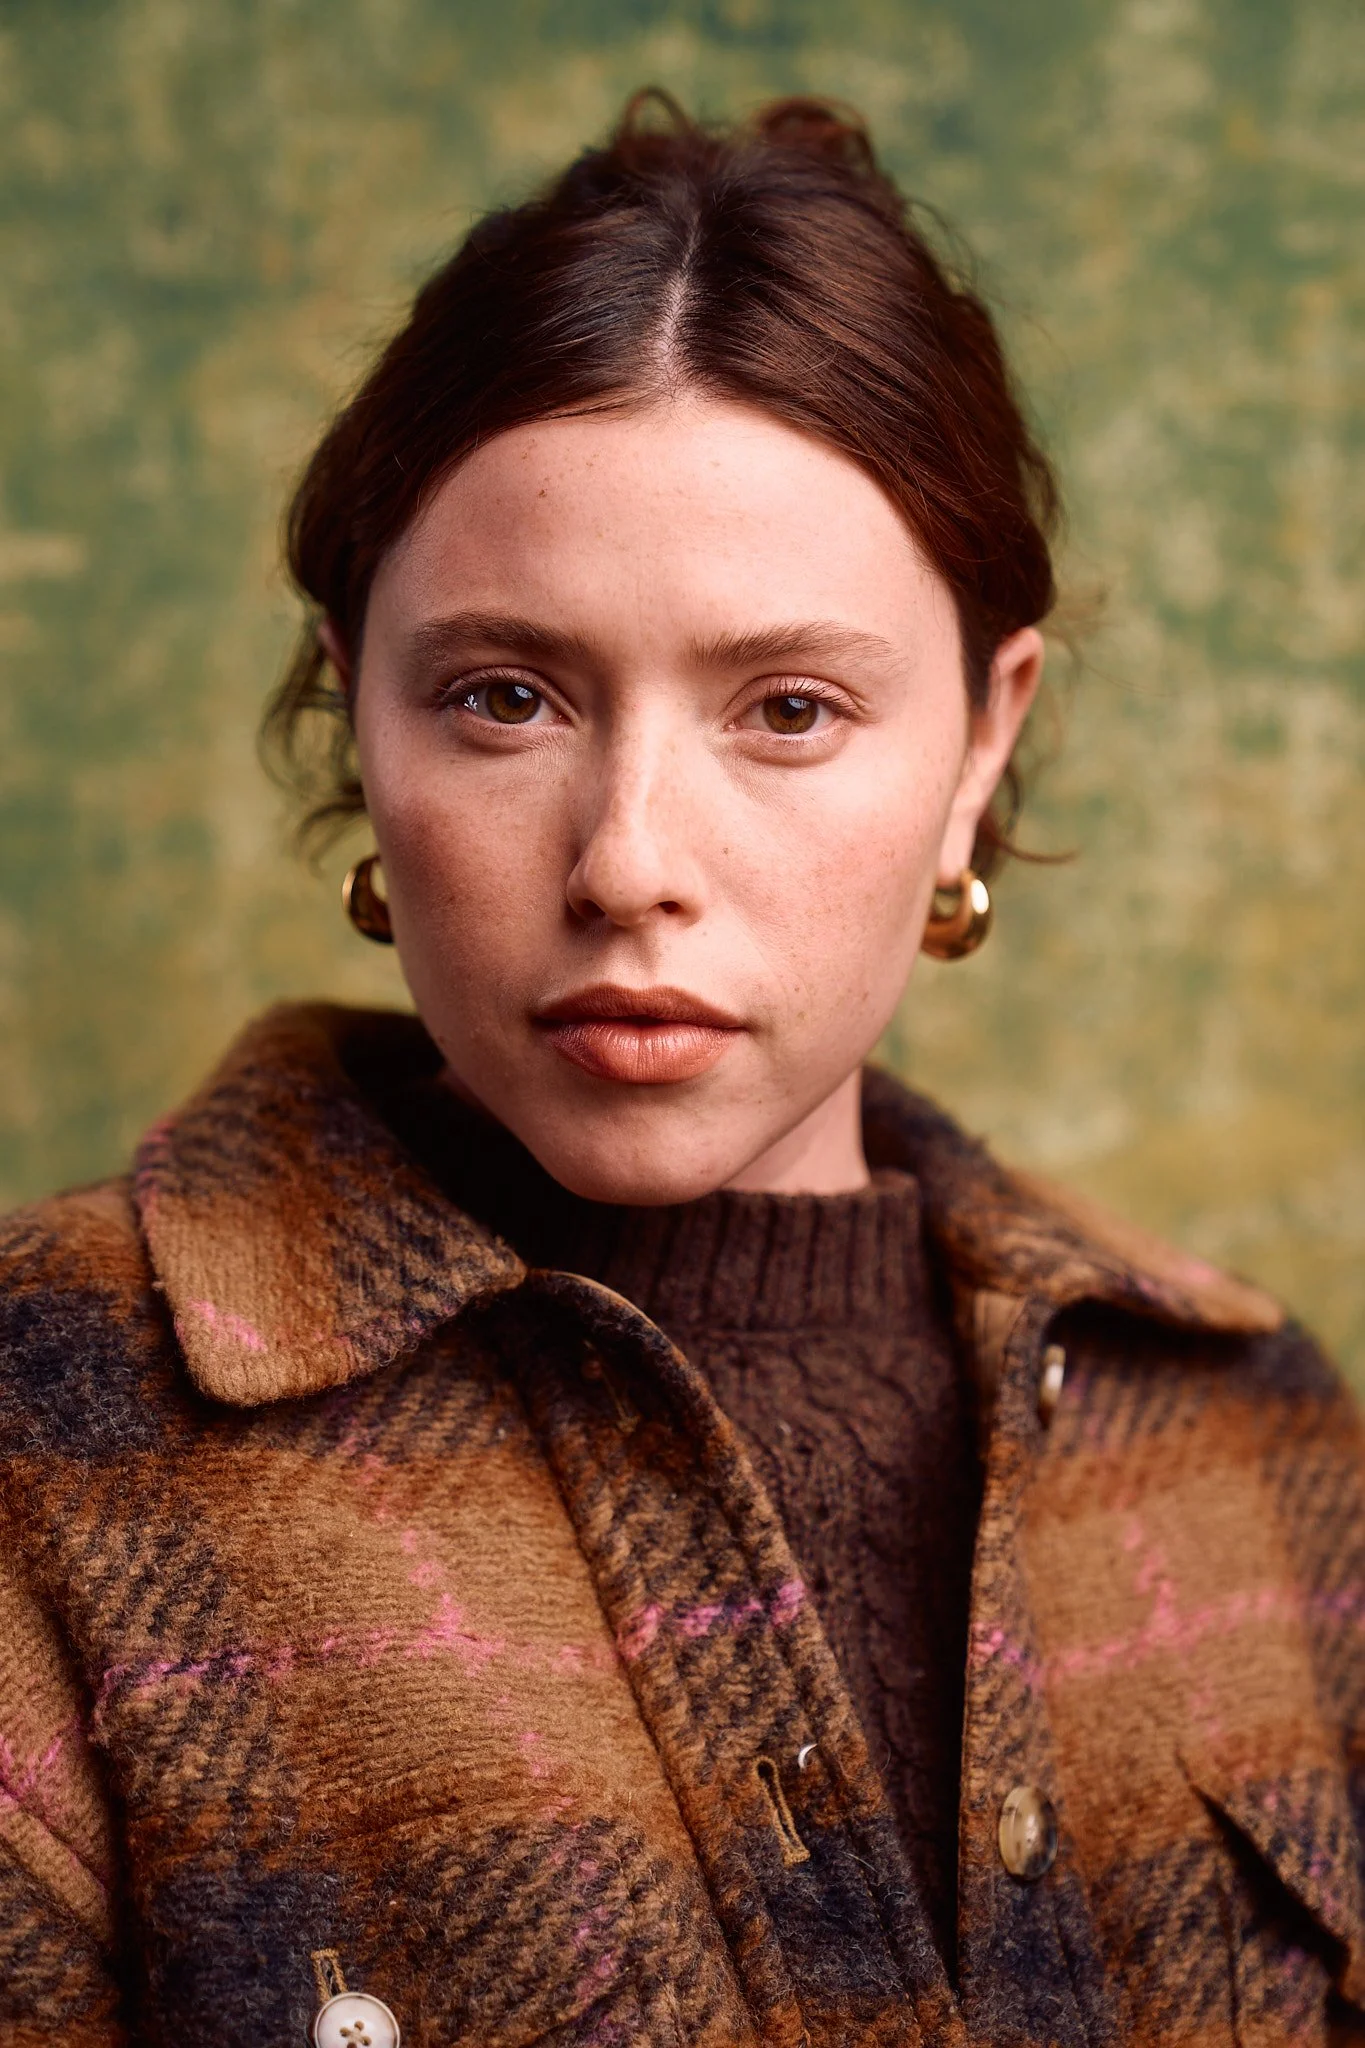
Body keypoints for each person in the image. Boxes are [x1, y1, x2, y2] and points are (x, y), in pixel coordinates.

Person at [1, 91, 1361, 2048]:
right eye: (504, 697)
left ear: (983, 737)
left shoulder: (1246, 1440)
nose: (629, 859)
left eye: (788, 708)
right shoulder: (53, 1437)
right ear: (358, 699)